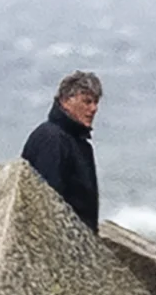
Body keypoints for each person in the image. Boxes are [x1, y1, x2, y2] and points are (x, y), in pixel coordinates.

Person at [21, 70, 102, 231]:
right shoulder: (52, 139)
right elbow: (47, 200)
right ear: (65, 101)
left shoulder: (77, 142)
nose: (94, 109)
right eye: (87, 102)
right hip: (58, 243)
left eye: (96, 102)